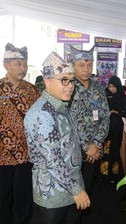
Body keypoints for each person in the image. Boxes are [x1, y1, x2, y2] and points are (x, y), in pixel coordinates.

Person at [24, 51, 90, 224]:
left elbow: (71, 139)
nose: (70, 86)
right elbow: (53, 160)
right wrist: (77, 190)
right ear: (47, 81)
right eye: (64, 80)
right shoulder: (42, 114)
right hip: (53, 194)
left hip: (70, 186)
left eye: (72, 80)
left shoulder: (60, 106)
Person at [0, 43, 40, 224]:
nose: (22, 68)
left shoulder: (32, 91)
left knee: (23, 195)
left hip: (25, 154)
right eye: (18, 63)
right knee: (2, 194)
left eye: (24, 64)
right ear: (5, 65)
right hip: (1, 155)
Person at [68, 46, 110, 196]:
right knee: (74, 195)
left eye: (89, 65)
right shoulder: (67, 86)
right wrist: (86, 147)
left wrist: (97, 144)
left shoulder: (98, 88)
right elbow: (68, 122)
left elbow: (105, 117)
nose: (86, 69)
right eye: (81, 65)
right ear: (73, 65)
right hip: (74, 151)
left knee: (88, 190)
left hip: (95, 151)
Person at [99, 76, 126, 183]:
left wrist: (115, 112)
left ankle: (114, 175)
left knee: (115, 150)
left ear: (118, 86)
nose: (111, 89)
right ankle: (104, 175)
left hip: (117, 127)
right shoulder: (105, 96)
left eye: (114, 86)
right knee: (106, 151)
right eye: (110, 86)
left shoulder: (124, 98)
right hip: (106, 127)